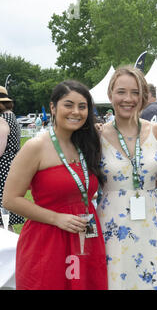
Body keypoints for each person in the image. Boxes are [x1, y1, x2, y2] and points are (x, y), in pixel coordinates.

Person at [3, 80, 107, 289]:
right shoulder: (36, 146)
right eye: (68, 105)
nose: (76, 112)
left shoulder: (87, 145)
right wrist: (56, 218)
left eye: (82, 106)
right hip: (48, 240)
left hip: (86, 237)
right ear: (53, 107)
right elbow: (10, 199)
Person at [97, 65, 157, 290]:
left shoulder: (156, 131)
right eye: (121, 92)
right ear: (110, 95)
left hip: (152, 223)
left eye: (135, 92)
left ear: (143, 97)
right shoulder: (95, 136)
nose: (128, 98)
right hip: (113, 226)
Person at [0, 86, 24, 231]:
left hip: (2, 170)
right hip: (11, 167)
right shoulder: (11, 116)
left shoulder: (2, 119)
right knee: (6, 218)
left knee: (2, 219)